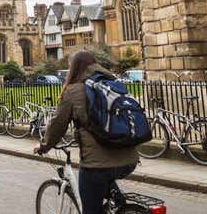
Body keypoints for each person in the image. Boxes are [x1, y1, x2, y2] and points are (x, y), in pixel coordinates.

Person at [35, 51, 139, 214]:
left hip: (97, 165)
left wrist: (44, 146)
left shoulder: (73, 90)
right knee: (108, 183)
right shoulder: (114, 83)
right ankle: (122, 206)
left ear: (74, 69)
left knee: (91, 206)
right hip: (130, 159)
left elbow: (57, 125)